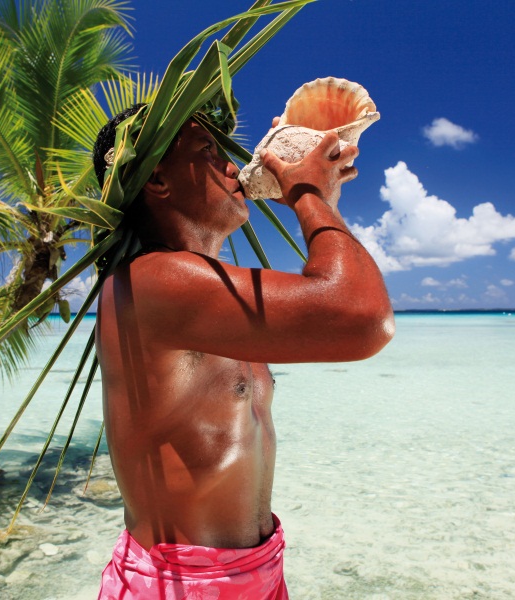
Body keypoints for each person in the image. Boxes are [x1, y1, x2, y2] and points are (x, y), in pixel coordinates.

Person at [93, 107, 394, 599]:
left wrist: (320, 191)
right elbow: (363, 319)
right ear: (158, 182)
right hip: (181, 584)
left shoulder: (217, 300)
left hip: (257, 571)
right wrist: (309, 195)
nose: (232, 166)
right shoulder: (150, 282)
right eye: (208, 152)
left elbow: (344, 310)